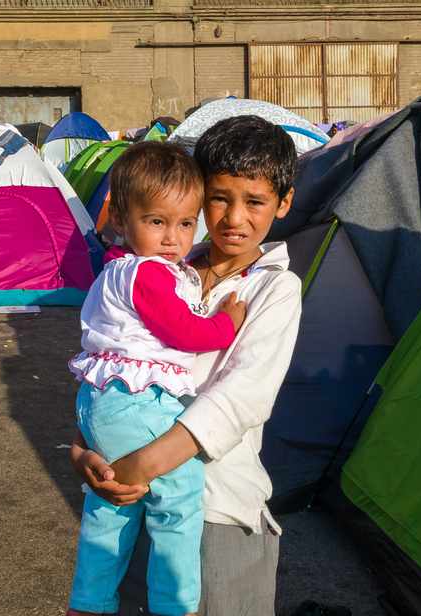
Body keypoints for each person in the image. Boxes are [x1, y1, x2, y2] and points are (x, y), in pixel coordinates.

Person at [70, 115, 303, 616]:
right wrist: (84, 448)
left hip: (215, 504)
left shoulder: (275, 288)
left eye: (255, 201)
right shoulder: (161, 266)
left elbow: (240, 398)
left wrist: (141, 465)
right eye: (218, 198)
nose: (234, 218)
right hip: (132, 489)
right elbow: (113, 354)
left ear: (283, 202)